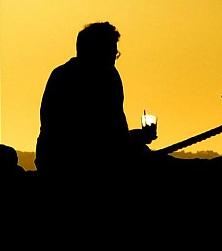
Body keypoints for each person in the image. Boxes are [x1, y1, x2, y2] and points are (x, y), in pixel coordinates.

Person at [36, 22, 156, 179]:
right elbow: (105, 134)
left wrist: (130, 138)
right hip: (82, 165)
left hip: (52, 161)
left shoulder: (60, 75)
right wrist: (135, 139)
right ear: (97, 51)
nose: (114, 58)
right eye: (112, 52)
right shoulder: (105, 77)